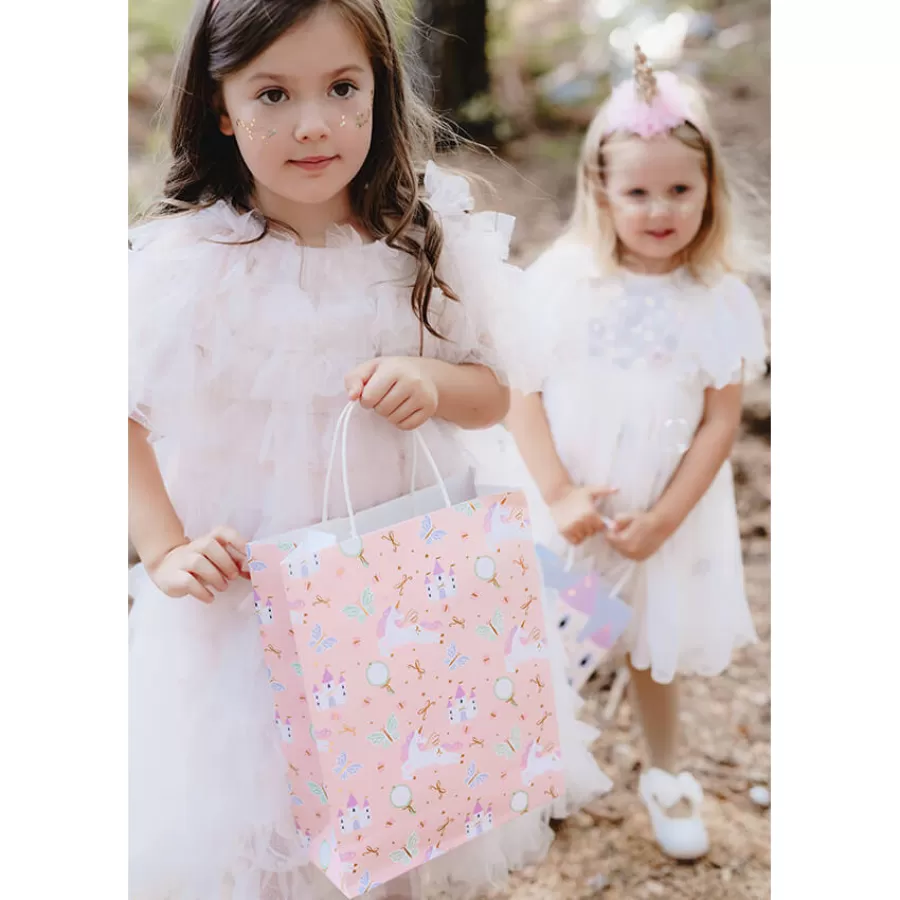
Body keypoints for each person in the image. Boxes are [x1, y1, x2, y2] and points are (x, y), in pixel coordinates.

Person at [128, 2, 609, 898]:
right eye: (273, 94)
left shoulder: (421, 237)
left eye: (342, 87)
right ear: (220, 106)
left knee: (398, 797)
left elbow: (495, 390)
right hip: (249, 600)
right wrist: (163, 547)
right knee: (266, 817)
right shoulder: (191, 260)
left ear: (381, 90)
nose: (313, 124)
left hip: (404, 597)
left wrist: (432, 382)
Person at [482, 46, 768, 861]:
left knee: (654, 645)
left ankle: (666, 773)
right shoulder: (568, 279)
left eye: (680, 189)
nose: (659, 209)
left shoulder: (720, 297)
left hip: (663, 512)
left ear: (709, 189)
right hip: (572, 500)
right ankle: (539, 774)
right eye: (638, 191)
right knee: (551, 637)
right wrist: (559, 493)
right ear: (600, 190)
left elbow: (719, 423)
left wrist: (665, 519)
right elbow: (521, 390)